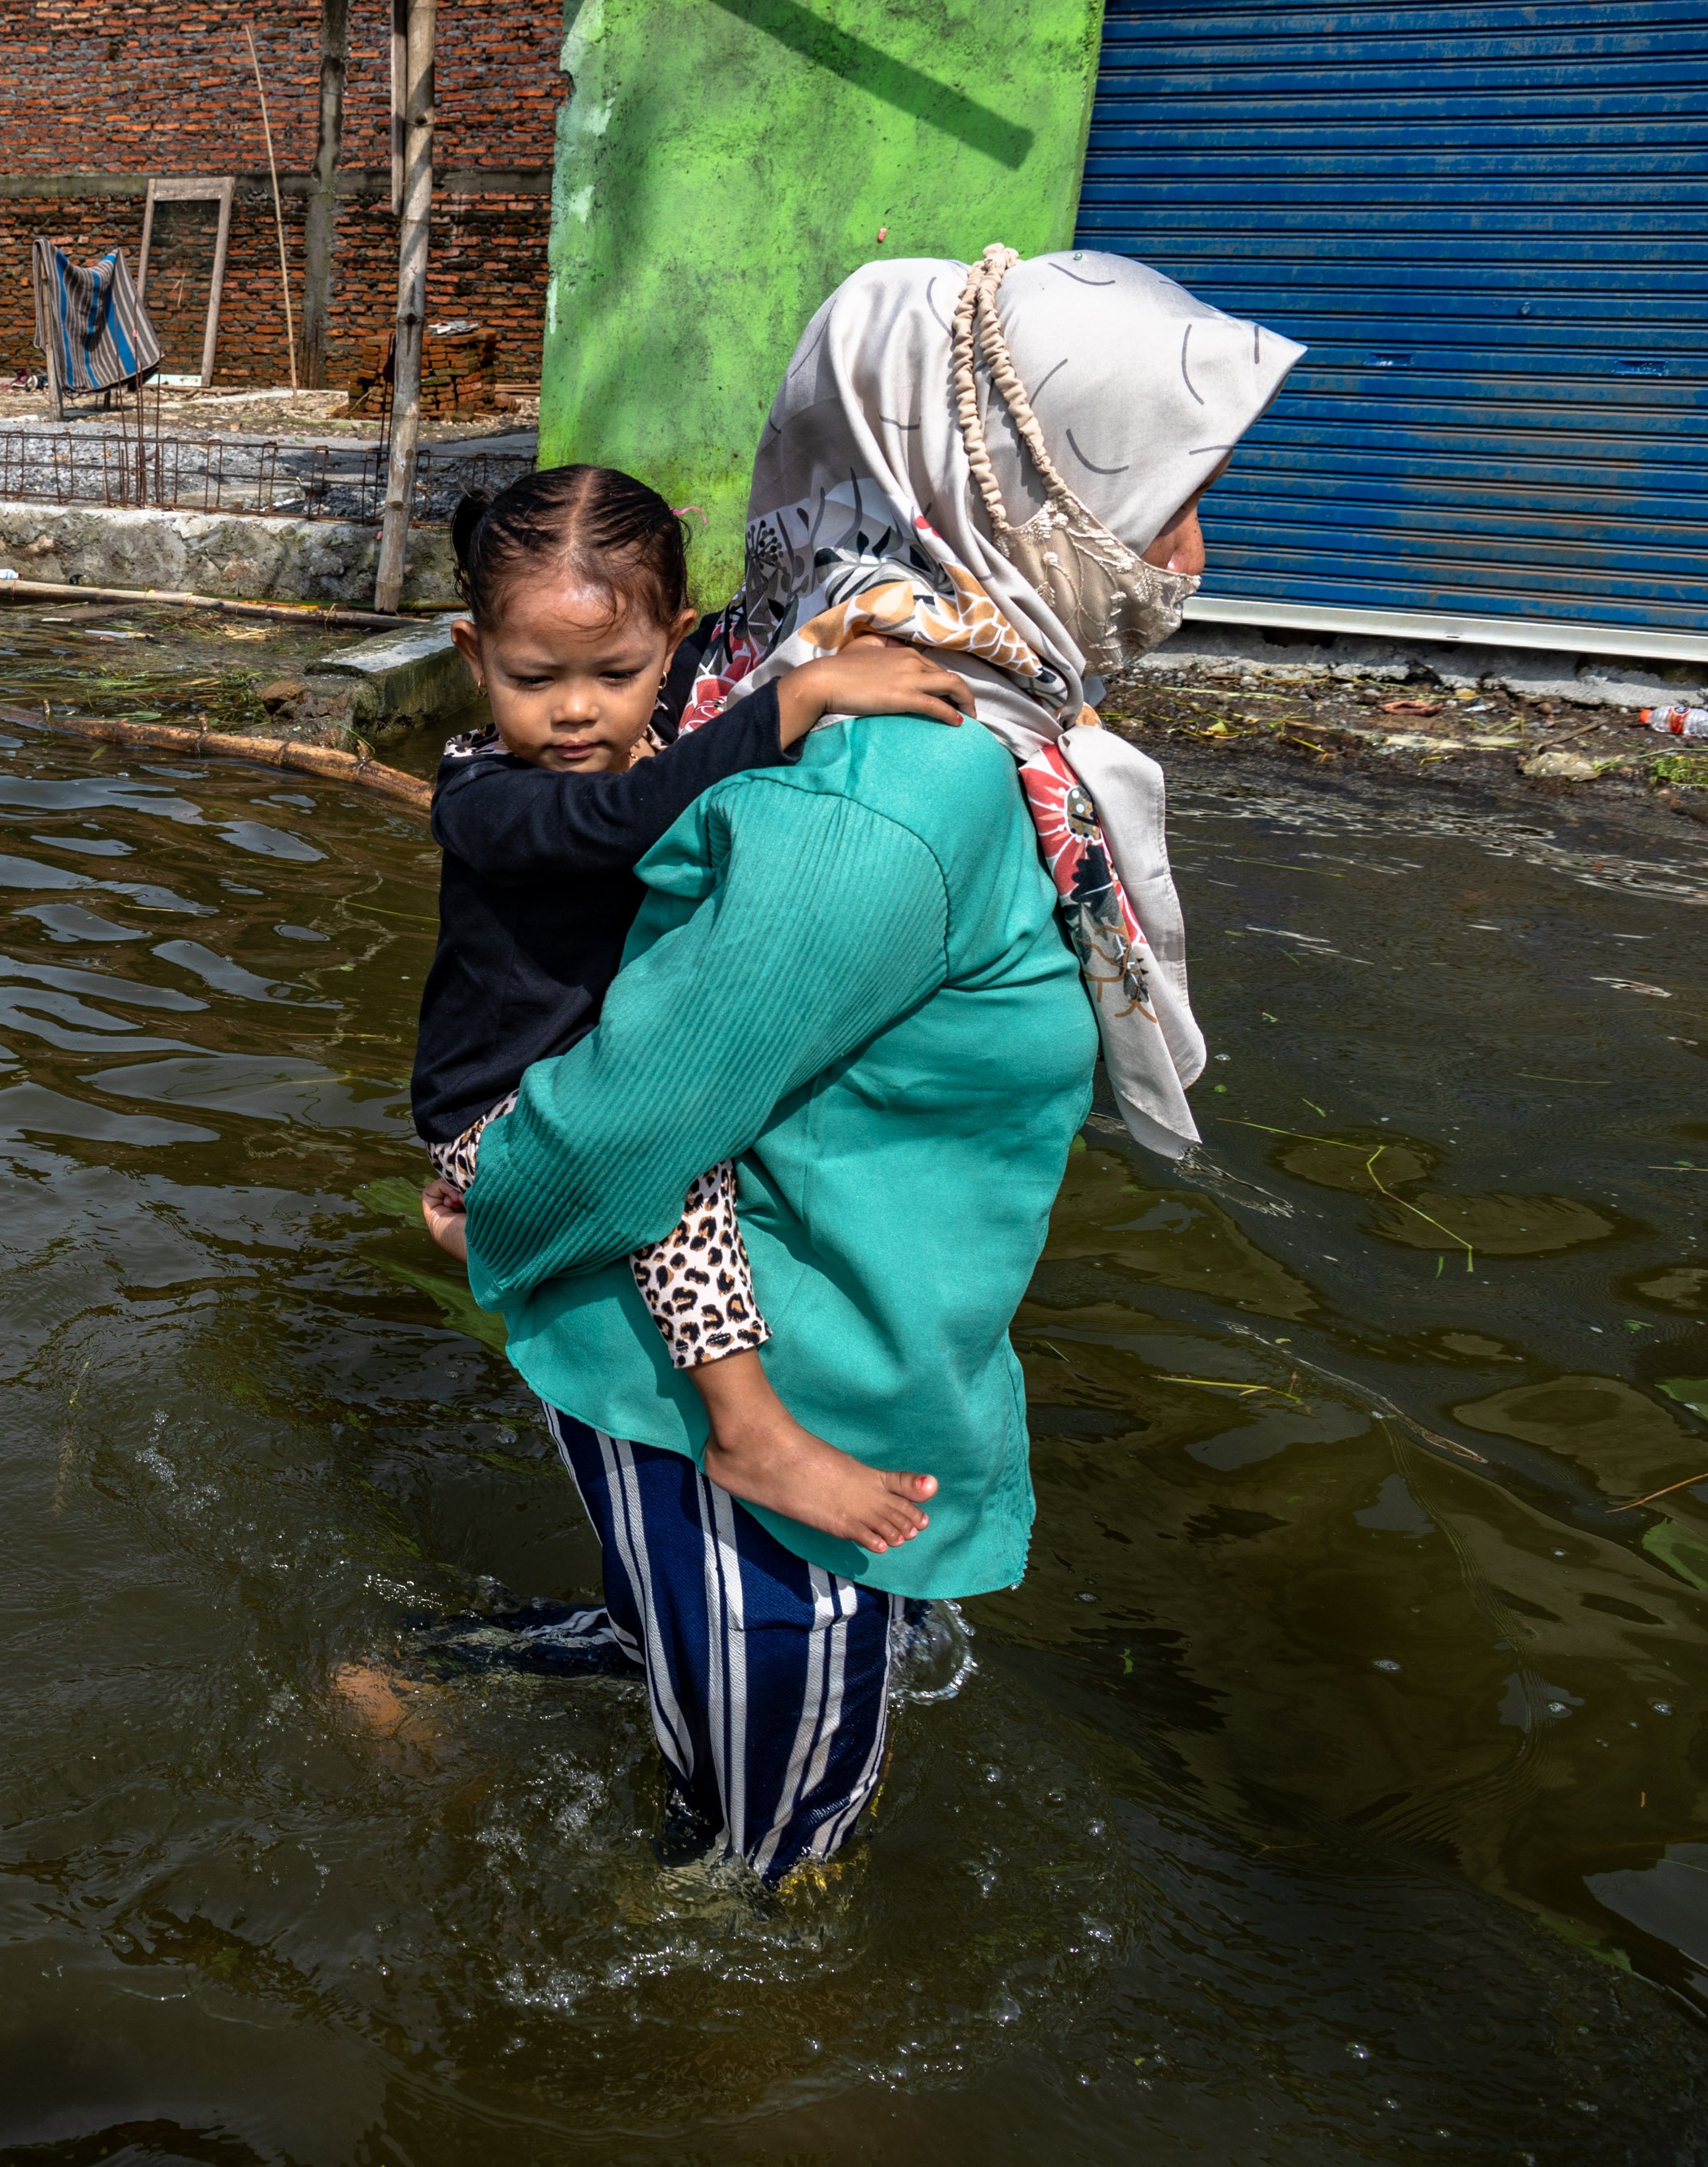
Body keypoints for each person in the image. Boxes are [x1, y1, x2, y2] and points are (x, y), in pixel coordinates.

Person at [457, 246, 1299, 1883]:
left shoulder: (924, 710)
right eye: (1161, 495)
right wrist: (486, 1199)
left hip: (835, 1378)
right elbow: (616, 1127)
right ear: (1009, 497)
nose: (1196, 545)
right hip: (774, 1432)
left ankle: (432, 1671)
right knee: (760, 1881)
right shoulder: (905, 792)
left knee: (694, 1688)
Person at [410, 466, 976, 1557]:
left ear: (668, 646)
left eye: (617, 671)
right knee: (680, 1182)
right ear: (474, 657)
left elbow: (747, 640)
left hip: (590, 1071)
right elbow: (618, 819)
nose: (576, 710)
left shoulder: (655, 713)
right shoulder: (485, 798)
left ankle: (496, 1231)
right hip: (497, 1102)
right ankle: (748, 1426)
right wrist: (802, 699)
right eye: (534, 678)